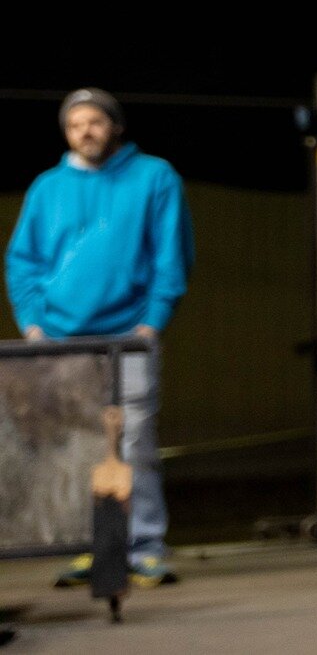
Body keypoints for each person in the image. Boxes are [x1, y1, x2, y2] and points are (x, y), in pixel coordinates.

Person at [6, 88, 192, 588]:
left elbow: (170, 256)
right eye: (74, 124)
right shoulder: (47, 187)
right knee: (74, 448)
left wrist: (152, 321)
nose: (85, 131)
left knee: (132, 440)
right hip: (62, 340)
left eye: (95, 121)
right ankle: (92, 548)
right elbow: (22, 262)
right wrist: (33, 324)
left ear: (115, 126)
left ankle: (145, 545)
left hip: (129, 333)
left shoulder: (154, 177)